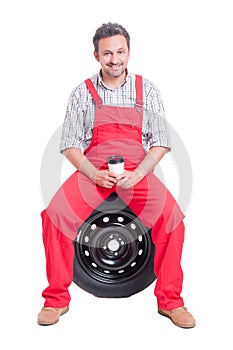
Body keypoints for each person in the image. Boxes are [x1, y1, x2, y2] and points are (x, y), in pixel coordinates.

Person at [38, 22, 196, 328]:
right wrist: (94, 174)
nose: (114, 59)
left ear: (128, 52)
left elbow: (161, 142)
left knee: (172, 219)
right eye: (107, 53)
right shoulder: (82, 93)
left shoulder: (146, 89)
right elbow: (69, 145)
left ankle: (171, 302)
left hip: (136, 172)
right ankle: (55, 300)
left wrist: (138, 174)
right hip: (93, 171)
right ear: (96, 55)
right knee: (54, 216)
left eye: (120, 51)